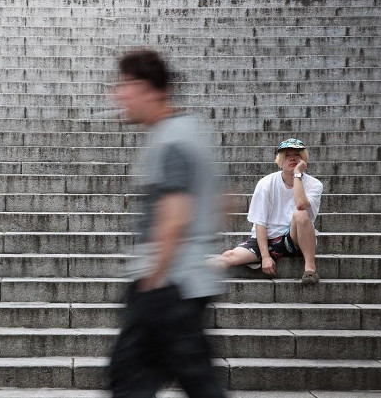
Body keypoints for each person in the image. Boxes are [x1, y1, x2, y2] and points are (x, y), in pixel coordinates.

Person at [108, 49, 226, 398]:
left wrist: (153, 282)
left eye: (126, 85)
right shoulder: (193, 130)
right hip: (185, 281)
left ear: (152, 90)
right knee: (191, 382)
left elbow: (175, 216)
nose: (118, 95)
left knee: (129, 378)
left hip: (168, 284)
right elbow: (225, 201)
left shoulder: (170, 139)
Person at [209, 138, 323, 284]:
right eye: (287, 155)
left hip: (295, 238)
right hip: (267, 239)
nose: (292, 158)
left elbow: (301, 204)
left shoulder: (314, 184)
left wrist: (297, 175)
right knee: (229, 256)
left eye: (297, 155)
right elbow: (260, 222)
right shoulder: (266, 183)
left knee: (300, 214)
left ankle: (310, 269)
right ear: (280, 161)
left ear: (304, 160)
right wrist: (265, 257)